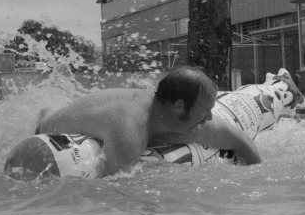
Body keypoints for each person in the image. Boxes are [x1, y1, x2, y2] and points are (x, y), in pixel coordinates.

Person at [35, 65, 263, 176]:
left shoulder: (189, 123)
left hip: (101, 114)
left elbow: (239, 140)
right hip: (45, 128)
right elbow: (101, 191)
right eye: (206, 110)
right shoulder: (129, 132)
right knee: (47, 116)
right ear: (180, 106)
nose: (210, 117)